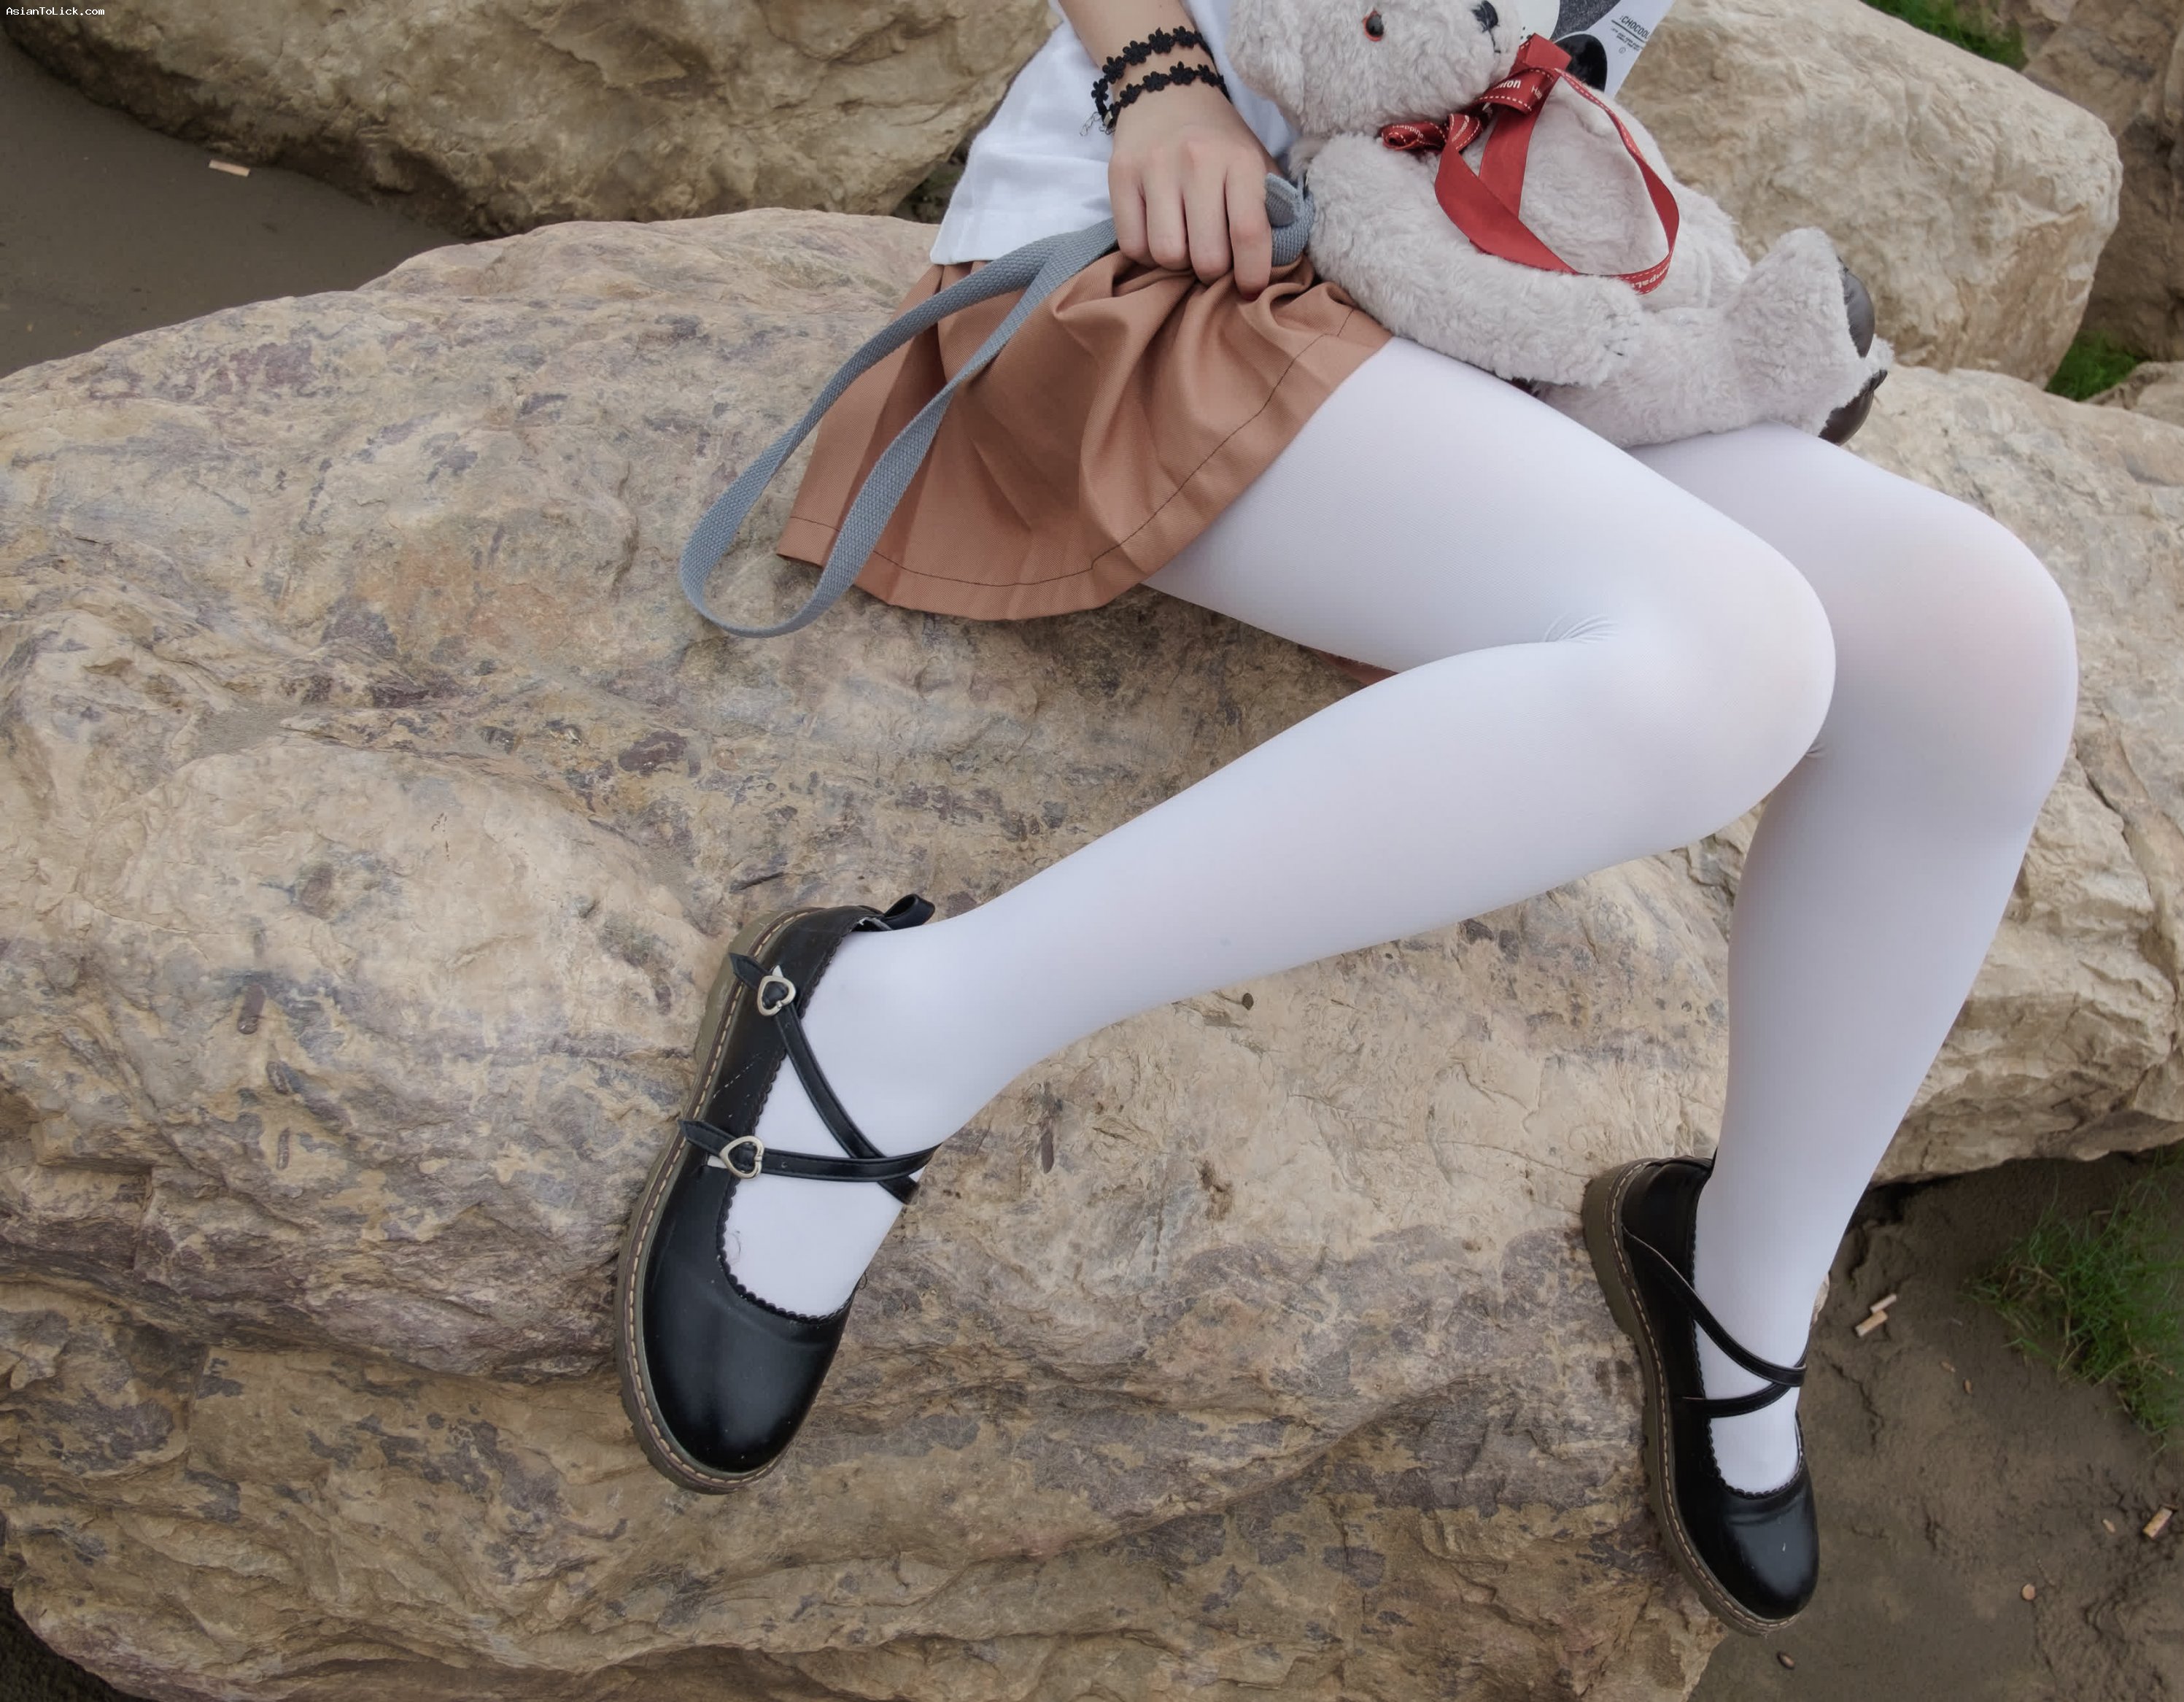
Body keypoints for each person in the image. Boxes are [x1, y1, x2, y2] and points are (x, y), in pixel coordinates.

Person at [613, 0, 2079, 1636]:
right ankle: (891, 1024)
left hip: (1448, 300)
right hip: (1165, 259)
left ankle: (1741, 1279)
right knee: (1739, 660)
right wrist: (1160, 78)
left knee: (1988, 646)